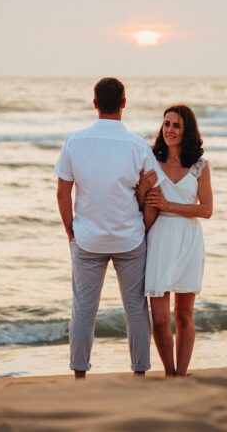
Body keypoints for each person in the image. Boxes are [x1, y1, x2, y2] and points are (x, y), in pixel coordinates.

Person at [54, 77, 162, 379]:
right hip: (130, 238)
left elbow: (63, 192)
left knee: (84, 309)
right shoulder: (138, 145)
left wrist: (70, 231)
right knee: (136, 309)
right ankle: (140, 373)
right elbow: (152, 196)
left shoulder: (74, 141)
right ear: (124, 103)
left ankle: (79, 374)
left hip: (87, 239)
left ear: (95, 104)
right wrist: (144, 227)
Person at [136, 105, 213, 377]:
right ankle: (169, 372)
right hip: (160, 238)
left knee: (183, 315)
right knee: (159, 319)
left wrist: (169, 204)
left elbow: (206, 210)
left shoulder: (200, 166)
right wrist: (142, 190)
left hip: (188, 239)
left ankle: (181, 375)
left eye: (176, 125)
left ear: (187, 130)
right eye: (166, 124)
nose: (169, 130)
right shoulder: (151, 162)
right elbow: (141, 205)